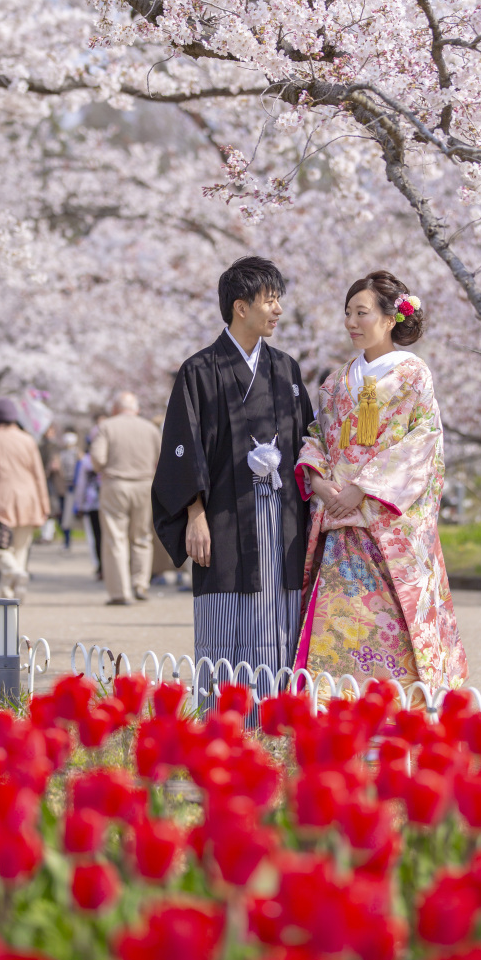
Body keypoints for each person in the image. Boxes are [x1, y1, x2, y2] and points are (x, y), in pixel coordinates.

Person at [294, 271, 467, 694]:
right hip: (340, 523)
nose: (352, 322)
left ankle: (395, 721)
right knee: (336, 627)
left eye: (362, 312)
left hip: (387, 526)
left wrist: (363, 488)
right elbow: (317, 435)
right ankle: (336, 717)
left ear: (391, 318)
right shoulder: (335, 383)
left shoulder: (413, 374)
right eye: (348, 313)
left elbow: (424, 441)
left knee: (389, 624)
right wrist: (318, 482)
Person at [152, 256, 314, 706]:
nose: (278, 310)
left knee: (281, 613)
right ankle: (225, 721)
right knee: (226, 617)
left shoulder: (286, 369)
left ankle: (277, 718)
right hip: (223, 515)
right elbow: (182, 449)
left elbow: (307, 442)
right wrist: (194, 515)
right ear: (240, 307)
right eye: (270, 300)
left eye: (279, 299)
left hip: (282, 517)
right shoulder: (200, 371)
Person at [0, 397, 51, 599]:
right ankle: (11, 590)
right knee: (20, 547)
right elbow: (38, 474)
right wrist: (45, 504)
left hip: (1, 498)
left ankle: (14, 574)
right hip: (29, 497)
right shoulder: (27, 439)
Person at [91, 393, 161, 604]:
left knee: (116, 538)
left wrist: (101, 469)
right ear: (136, 409)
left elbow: (97, 458)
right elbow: (162, 458)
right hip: (144, 483)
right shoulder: (150, 428)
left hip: (116, 483)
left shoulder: (107, 427)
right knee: (142, 537)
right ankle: (141, 584)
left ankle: (120, 592)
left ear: (115, 409)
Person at [73, 432, 102, 578]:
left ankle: (101, 567)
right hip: (106, 502)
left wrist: (79, 504)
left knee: (97, 536)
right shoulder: (111, 457)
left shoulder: (86, 460)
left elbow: (81, 485)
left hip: (92, 503)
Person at [58, 430, 79, 548]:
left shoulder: (78, 454)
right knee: (63, 516)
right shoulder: (61, 455)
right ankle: (66, 540)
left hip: (76, 488)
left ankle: (68, 540)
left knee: (72, 515)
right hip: (63, 488)